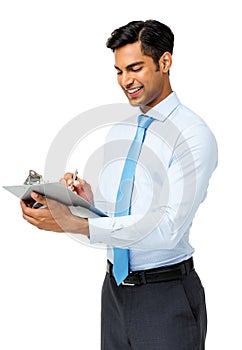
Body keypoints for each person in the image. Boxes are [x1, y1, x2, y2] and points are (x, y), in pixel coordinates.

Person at [21, 20, 218, 349]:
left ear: (165, 62)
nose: (126, 80)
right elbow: (121, 213)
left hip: (165, 297)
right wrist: (84, 201)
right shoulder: (121, 131)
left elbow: (168, 227)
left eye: (135, 68)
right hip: (114, 291)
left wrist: (80, 225)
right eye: (119, 70)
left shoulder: (194, 135)